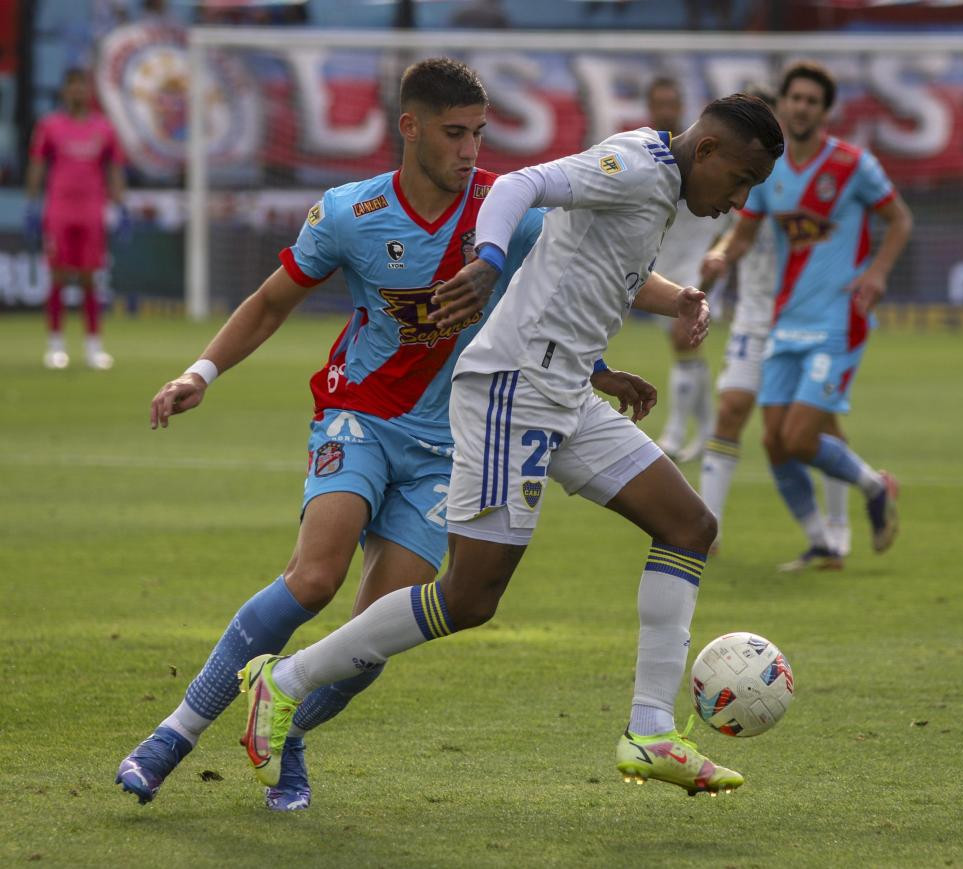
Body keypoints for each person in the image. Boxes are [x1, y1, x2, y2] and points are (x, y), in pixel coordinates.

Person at [115, 57, 646, 812]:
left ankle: (289, 728)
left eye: (480, 134)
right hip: (357, 416)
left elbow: (554, 301)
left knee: (373, 636)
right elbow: (270, 304)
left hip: (450, 445)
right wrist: (201, 371)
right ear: (411, 127)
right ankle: (171, 735)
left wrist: (615, 356)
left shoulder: (506, 213)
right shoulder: (350, 213)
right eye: (455, 134)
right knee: (315, 578)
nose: (471, 151)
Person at [237, 93, 783, 798]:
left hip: (564, 395)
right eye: (739, 180)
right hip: (513, 393)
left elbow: (581, 275)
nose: (738, 200)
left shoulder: (661, 184)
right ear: (707, 151)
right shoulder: (634, 168)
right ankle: (283, 679)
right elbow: (525, 184)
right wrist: (488, 259)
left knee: (689, 525)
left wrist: (639, 329)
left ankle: (650, 731)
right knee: (468, 599)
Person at [701, 60, 913, 571]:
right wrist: (720, 257)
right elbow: (745, 235)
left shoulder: (852, 164)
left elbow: (899, 219)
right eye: (795, 98)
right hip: (784, 321)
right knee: (775, 443)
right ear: (786, 104)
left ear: (824, 110)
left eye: (811, 101)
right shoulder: (770, 173)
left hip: (837, 319)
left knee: (800, 437)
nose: (801, 107)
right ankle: (823, 538)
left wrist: (878, 272)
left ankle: (872, 488)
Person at [698, 85, 852, 560]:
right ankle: (708, 529)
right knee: (731, 411)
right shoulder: (745, 178)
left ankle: (837, 526)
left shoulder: (804, 179)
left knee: (811, 426)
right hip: (754, 315)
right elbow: (735, 236)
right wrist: (719, 259)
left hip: (803, 316)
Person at [645, 76, 731, 463]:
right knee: (687, 348)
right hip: (664, 267)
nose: (665, 109)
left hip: (700, 263)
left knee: (684, 340)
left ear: (681, 107)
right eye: (658, 102)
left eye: (671, 102)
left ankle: (675, 436)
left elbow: (730, 212)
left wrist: (718, 254)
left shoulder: (700, 154)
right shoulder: (646, 154)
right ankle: (710, 432)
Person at [26, 68, 127, 370]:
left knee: (89, 277)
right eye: (72, 87)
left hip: (91, 211)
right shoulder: (50, 126)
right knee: (57, 274)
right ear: (64, 92)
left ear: (88, 92)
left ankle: (93, 346)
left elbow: (114, 168)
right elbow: (37, 164)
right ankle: (56, 345)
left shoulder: (104, 128)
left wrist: (120, 206)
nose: (77, 92)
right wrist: (32, 204)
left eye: (82, 87)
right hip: (59, 209)